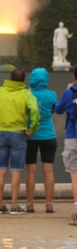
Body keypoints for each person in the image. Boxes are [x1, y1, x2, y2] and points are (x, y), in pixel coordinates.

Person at [0, 69, 40, 215]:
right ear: (23, 81)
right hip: (19, 134)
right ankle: (14, 205)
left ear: (9, 78)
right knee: (16, 170)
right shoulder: (26, 94)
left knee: (1, 169)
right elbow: (35, 111)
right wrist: (33, 128)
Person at [25, 68, 58, 213]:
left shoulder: (26, 94)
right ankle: (49, 204)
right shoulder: (52, 95)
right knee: (49, 170)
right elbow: (52, 111)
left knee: (31, 171)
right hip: (49, 135)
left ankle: (30, 203)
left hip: (30, 135)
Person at [53, 66, 77, 225]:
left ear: (74, 76)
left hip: (73, 137)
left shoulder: (70, 93)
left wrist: (67, 90)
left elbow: (58, 110)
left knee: (75, 176)